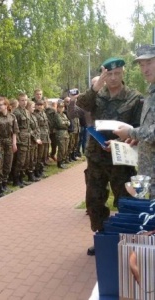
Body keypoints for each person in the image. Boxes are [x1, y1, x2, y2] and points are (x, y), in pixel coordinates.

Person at [76, 57, 143, 256]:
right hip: (97, 157)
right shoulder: (97, 95)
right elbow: (80, 106)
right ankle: (102, 236)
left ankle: (125, 238)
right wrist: (96, 86)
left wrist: (125, 141)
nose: (113, 78)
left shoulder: (134, 97)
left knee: (124, 199)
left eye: (117, 73)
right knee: (94, 200)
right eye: (109, 74)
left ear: (123, 73)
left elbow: (139, 127)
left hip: (121, 158)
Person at [114, 45, 155, 199]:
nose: (145, 69)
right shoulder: (151, 91)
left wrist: (131, 132)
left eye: (149, 62)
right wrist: (137, 138)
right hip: (149, 175)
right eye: (141, 64)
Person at [0, 97, 19, 191]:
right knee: (0, 164)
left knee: (8, 163)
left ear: (6, 106)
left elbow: (14, 131)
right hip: (0, 142)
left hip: (9, 142)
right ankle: (0, 185)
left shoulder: (12, 117)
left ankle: (5, 182)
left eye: (0, 105)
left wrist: (14, 143)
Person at [12, 92, 31, 187]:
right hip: (21, 140)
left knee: (25, 161)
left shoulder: (27, 111)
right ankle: (16, 179)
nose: (24, 102)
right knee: (20, 161)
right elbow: (15, 128)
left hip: (27, 139)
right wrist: (17, 142)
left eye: (26, 100)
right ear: (19, 101)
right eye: (22, 100)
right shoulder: (16, 112)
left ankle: (21, 178)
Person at [54, 101, 70, 169]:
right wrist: (66, 123)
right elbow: (60, 124)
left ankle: (63, 161)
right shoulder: (56, 115)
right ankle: (59, 162)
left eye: (62, 107)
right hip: (60, 134)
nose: (61, 109)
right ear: (57, 108)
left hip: (66, 133)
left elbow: (69, 123)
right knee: (61, 149)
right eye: (59, 107)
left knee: (66, 148)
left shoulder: (64, 115)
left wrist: (65, 123)